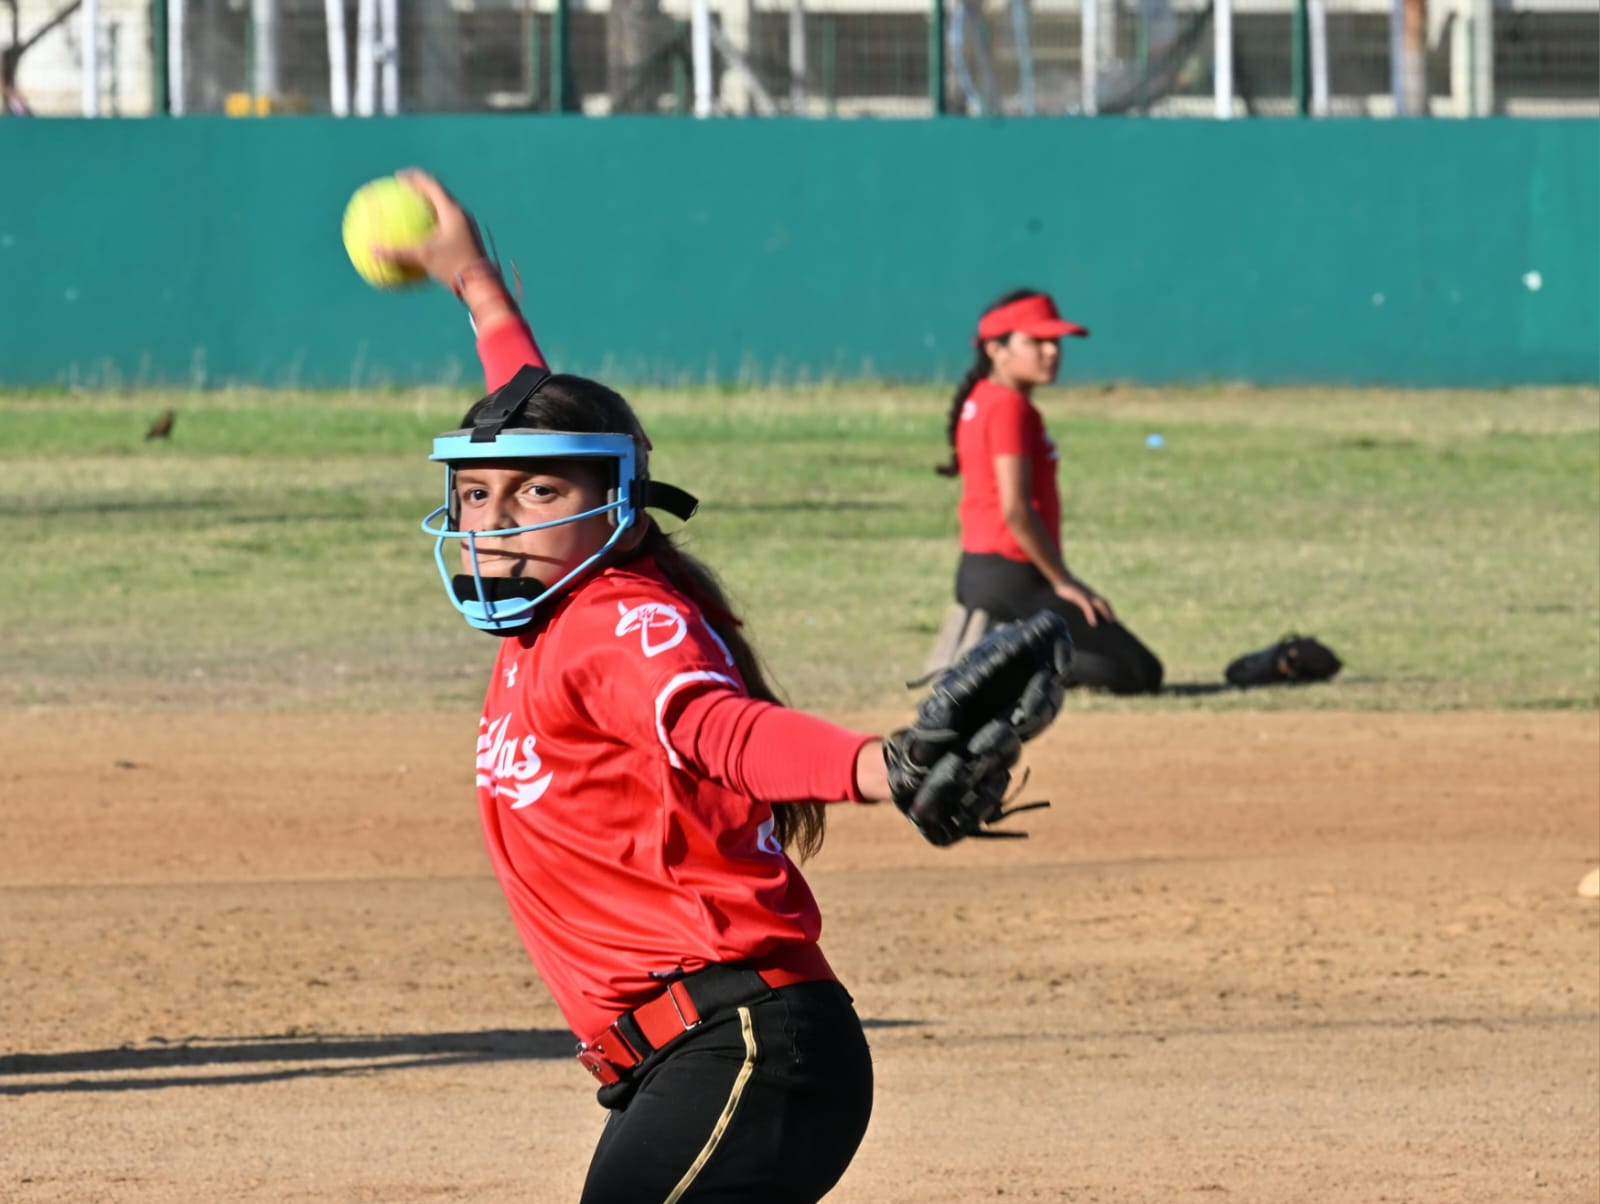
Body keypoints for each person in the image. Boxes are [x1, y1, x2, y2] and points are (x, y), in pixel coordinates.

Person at [374, 170, 896, 1203]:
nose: (498, 518)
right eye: (476, 494)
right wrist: (475, 283)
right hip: (705, 1053)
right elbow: (536, 411)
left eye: (537, 492)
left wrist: (876, 767)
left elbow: (717, 728)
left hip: (746, 1051)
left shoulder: (615, 620)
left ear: (614, 503)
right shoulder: (552, 600)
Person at [936, 288, 1164, 696]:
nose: (1051, 352)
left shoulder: (983, 398)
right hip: (1012, 575)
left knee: (1129, 662)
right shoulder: (1009, 407)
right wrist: (1063, 581)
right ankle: (1009, 663)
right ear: (996, 349)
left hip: (980, 573)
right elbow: (1016, 510)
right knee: (1137, 672)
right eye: (1035, 341)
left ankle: (1003, 648)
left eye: (1055, 342)